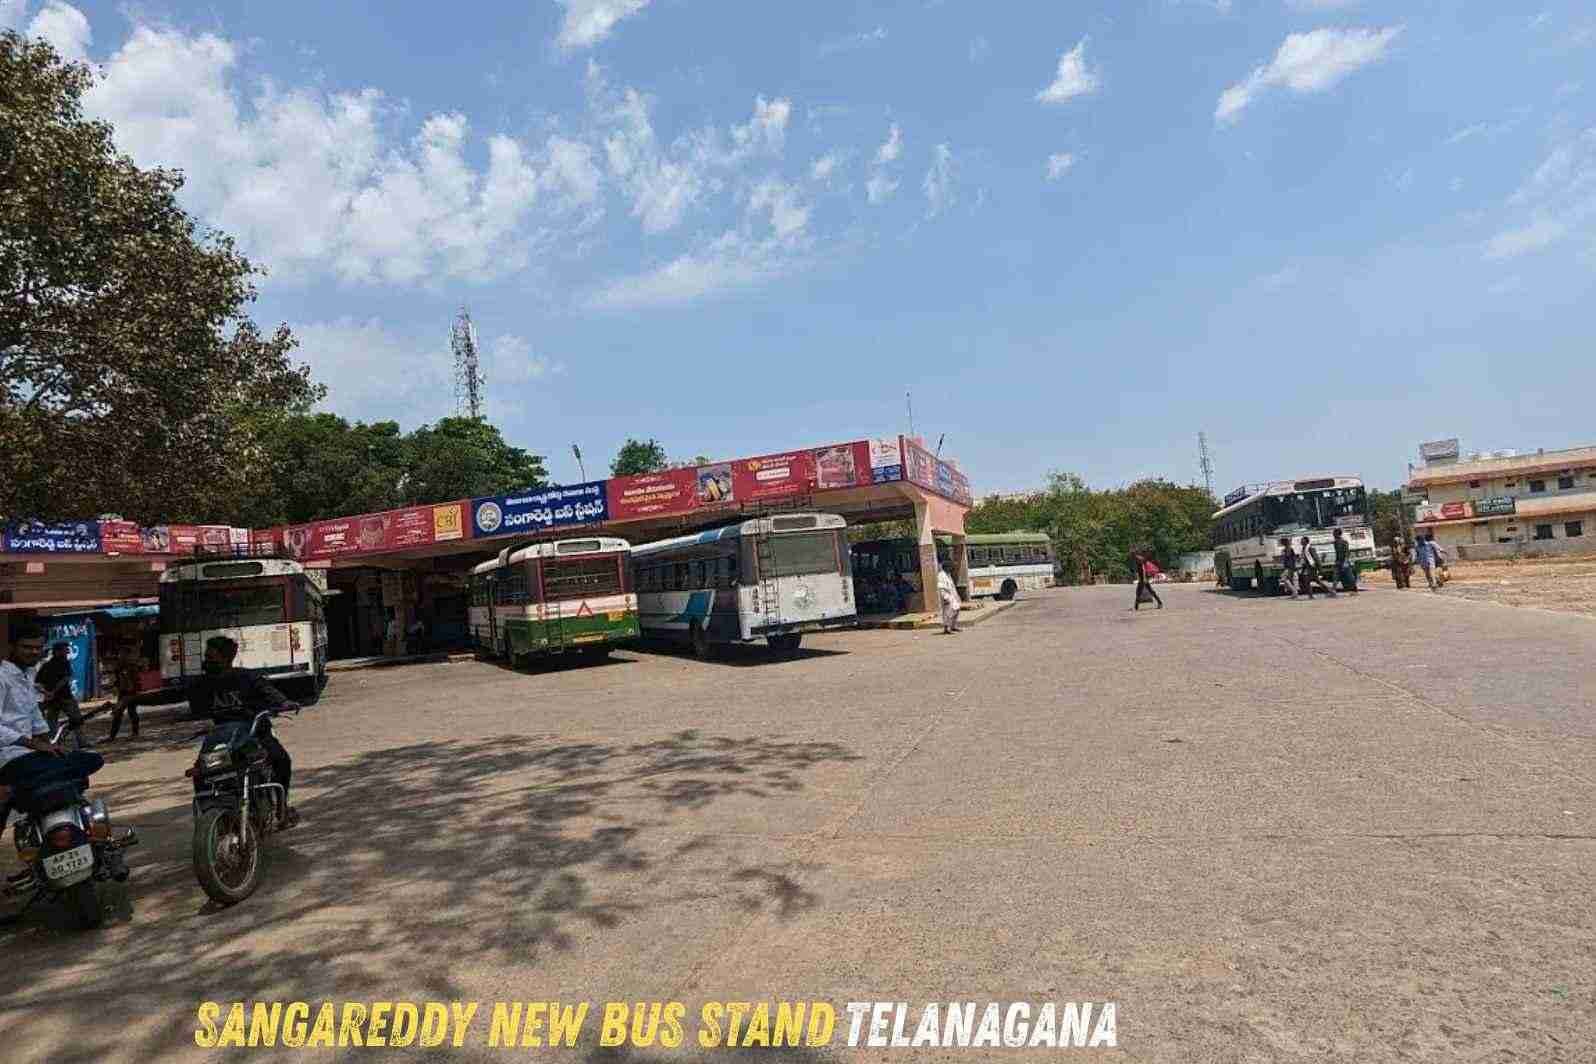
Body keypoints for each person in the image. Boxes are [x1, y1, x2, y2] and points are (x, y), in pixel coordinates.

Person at [187, 635, 301, 827]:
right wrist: (133, 700)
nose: (207, 663)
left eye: (211, 658)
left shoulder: (248, 677)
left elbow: (269, 692)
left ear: (227, 658)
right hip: (225, 741)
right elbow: (168, 695)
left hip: (255, 736)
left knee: (281, 759)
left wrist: (284, 702)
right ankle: (208, 810)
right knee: (201, 770)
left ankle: (282, 807)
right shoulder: (202, 683)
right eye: (206, 658)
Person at [1, 624, 105, 827]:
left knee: (92, 760)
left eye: (38, 647)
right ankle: (11, 791)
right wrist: (35, 745)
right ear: (12, 647)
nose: (34, 652)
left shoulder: (27, 675)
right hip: (8, 758)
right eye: (27, 647)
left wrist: (50, 745)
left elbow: (34, 716)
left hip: (30, 758)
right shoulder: (2, 677)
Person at [33, 642, 89, 750]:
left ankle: (54, 742)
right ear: (57, 651)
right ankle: (81, 741)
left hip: (51, 699)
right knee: (76, 719)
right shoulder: (63, 663)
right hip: (64, 697)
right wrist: (51, 692)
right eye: (65, 649)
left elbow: (37, 684)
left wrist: (47, 693)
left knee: (52, 721)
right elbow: (65, 679)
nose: (67, 651)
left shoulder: (46, 665)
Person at [106, 642, 144, 741]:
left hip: (130, 692)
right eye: (120, 653)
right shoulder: (119, 666)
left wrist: (133, 689)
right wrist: (114, 686)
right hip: (123, 692)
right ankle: (113, 736)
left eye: (123, 653)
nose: (120, 655)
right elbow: (117, 680)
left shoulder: (131, 666)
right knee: (123, 713)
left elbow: (135, 680)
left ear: (127, 654)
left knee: (126, 712)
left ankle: (133, 733)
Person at [1332, 527, 1360, 593]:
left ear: (1338, 534)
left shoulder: (1344, 542)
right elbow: (1337, 553)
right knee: (1335, 576)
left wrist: (1345, 562)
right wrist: (1336, 561)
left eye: (1334, 533)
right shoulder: (1335, 542)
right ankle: (1333, 591)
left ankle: (1355, 589)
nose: (1333, 535)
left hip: (1344, 561)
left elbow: (1347, 552)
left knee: (1350, 577)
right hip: (1338, 562)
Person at [936, 562, 962, 633]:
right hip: (947, 597)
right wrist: (945, 598)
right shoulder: (941, 575)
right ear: (946, 567)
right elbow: (941, 588)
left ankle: (953, 626)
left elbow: (952, 587)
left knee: (956, 610)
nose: (951, 569)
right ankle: (946, 628)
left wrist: (957, 596)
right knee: (948, 613)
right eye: (950, 567)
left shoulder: (948, 574)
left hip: (953, 596)